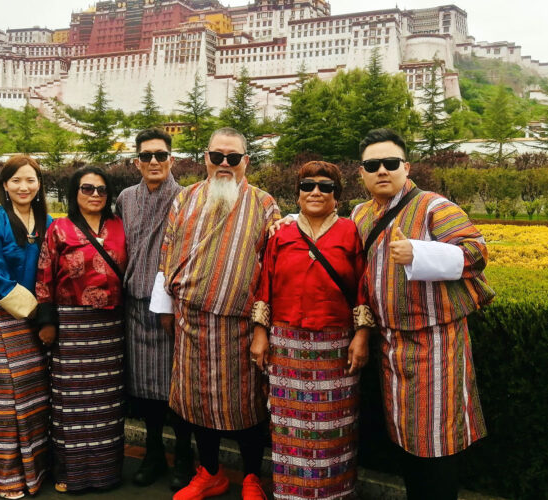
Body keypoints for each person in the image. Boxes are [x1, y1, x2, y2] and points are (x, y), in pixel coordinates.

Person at [351, 129, 494, 500]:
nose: (382, 170)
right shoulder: (360, 214)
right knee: (405, 436)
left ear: (406, 166)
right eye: (372, 165)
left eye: (391, 163)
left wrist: (419, 253)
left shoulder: (434, 206)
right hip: (390, 344)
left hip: (437, 343)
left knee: (437, 441)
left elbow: (476, 253)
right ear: (361, 173)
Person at [151, 127, 281, 500]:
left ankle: (252, 477)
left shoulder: (264, 203)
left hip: (240, 326)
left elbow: (272, 267)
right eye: (217, 156)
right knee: (196, 406)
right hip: (191, 322)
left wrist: (261, 326)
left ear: (246, 162)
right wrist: (166, 308)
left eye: (233, 158)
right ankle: (210, 472)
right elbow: (168, 252)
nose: (225, 164)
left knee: (247, 407)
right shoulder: (186, 199)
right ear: (206, 158)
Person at [250, 161, 370, 500]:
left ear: (337, 195)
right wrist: (261, 333)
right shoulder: (281, 233)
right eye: (307, 185)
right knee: (289, 427)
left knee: (335, 428)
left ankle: (335, 493)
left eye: (325, 186)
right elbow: (265, 285)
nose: (315, 191)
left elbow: (363, 286)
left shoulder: (350, 232)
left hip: (336, 346)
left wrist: (361, 336)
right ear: (298, 193)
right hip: (287, 343)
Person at [35, 166, 127, 493]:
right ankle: (70, 474)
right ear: (76, 192)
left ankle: (106, 474)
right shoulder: (59, 228)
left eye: (101, 190)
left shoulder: (118, 225)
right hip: (72, 326)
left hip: (110, 328)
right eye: (87, 189)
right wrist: (47, 322)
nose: (95, 195)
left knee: (107, 404)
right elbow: (44, 274)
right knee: (70, 403)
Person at [115, 128, 194, 490]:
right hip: (134, 306)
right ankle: (152, 453)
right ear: (136, 162)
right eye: (146, 156)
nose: (153, 162)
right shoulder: (125, 199)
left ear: (171, 160)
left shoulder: (188, 198)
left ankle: (184, 457)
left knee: (176, 389)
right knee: (144, 390)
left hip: (171, 309)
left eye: (160, 155)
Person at [0, 155, 52, 499]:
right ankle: (7, 476)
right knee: (6, 401)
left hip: (36, 321)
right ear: (4, 185)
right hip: (4, 320)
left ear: (39, 185)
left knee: (36, 397)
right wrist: (35, 312)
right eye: (16, 180)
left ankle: (37, 472)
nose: (24, 187)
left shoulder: (46, 220)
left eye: (30, 180)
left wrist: (46, 313)